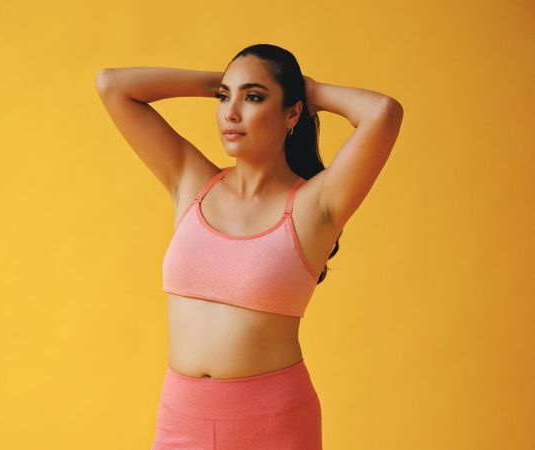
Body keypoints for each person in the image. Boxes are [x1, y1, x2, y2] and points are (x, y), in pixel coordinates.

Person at [95, 43, 403, 449]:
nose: (231, 112)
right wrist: (222, 84)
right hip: (181, 418)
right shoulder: (190, 181)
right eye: (225, 98)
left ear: (293, 113)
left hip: (273, 423)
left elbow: (382, 112)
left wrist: (307, 91)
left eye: (254, 97)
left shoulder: (316, 204)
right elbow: (112, 85)